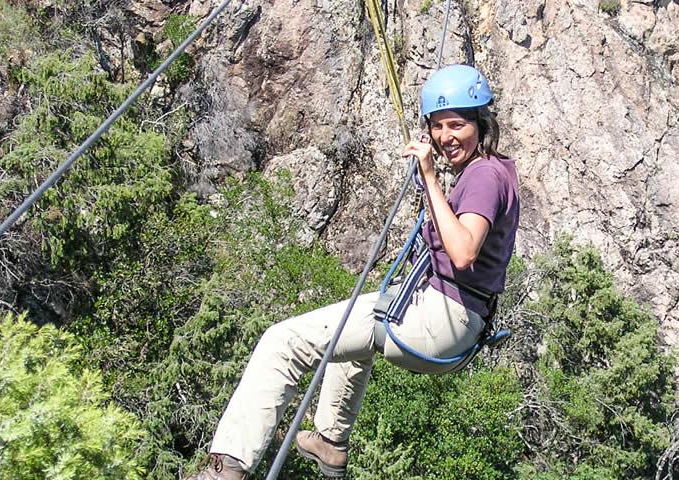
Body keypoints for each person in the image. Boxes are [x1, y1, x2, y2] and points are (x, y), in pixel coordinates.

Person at [190, 64, 520, 480]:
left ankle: (226, 468)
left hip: (442, 316)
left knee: (281, 342)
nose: (445, 137)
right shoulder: (491, 169)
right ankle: (330, 442)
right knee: (348, 343)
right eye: (437, 126)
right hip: (457, 320)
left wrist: (430, 178)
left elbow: (463, 251)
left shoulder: (485, 176)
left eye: (456, 125)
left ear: (481, 122)